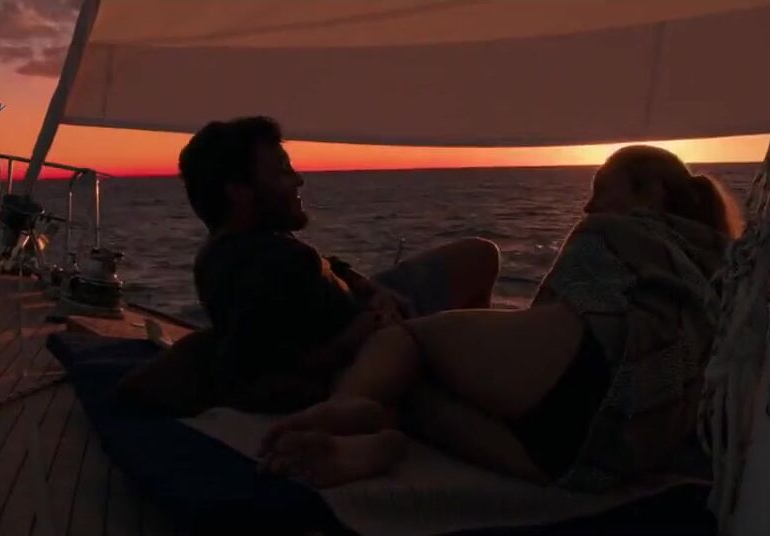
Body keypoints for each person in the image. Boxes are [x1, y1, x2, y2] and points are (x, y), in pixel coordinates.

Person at [257, 145, 743, 491]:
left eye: (601, 189)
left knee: (407, 342)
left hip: (591, 379)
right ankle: (373, 443)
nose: (589, 205)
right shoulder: (727, 267)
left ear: (651, 193)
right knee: (414, 397)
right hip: (600, 462)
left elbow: (568, 315)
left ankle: (347, 411)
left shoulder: (619, 231)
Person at [177, 116, 500, 413]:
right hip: (376, 344)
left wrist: (366, 287)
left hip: (367, 304)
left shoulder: (248, 243)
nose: (298, 180)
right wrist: (367, 327)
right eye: (282, 171)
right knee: (483, 285)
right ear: (239, 192)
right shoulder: (256, 269)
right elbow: (268, 371)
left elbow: (331, 266)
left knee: (480, 255)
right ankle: (474, 383)